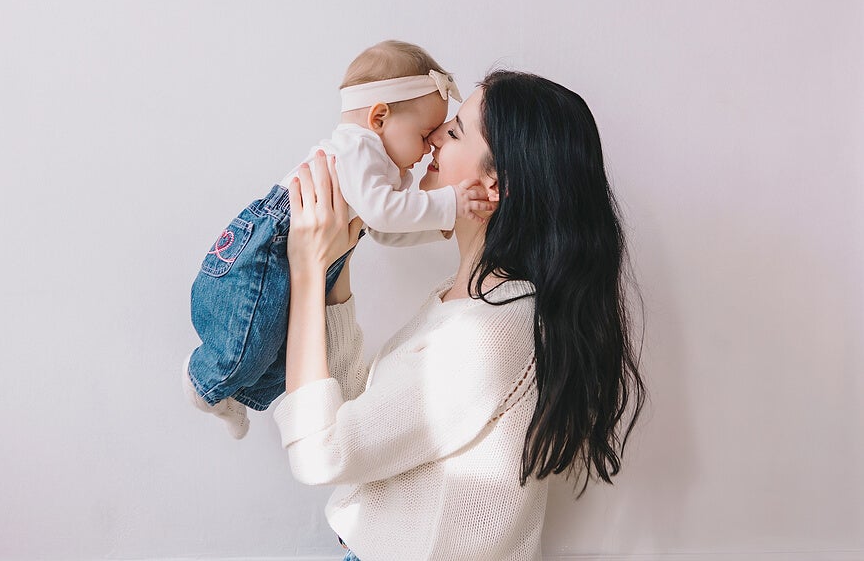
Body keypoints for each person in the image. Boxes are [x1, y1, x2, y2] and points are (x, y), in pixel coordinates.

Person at [274, 70, 647, 560]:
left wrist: (306, 272)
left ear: (496, 184)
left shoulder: (494, 334)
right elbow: (354, 412)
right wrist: (336, 266)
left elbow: (322, 451)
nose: (430, 139)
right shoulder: (466, 303)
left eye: (453, 133)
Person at [182, 41, 491, 438]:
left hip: (311, 254)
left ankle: (234, 394)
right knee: (251, 340)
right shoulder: (357, 147)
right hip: (270, 242)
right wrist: (447, 205)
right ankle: (204, 380)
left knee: (278, 351)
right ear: (379, 117)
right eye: (424, 132)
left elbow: (380, 228)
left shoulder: (382, 168)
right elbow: (382, 214)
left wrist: (439, 225)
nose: (430, 143)